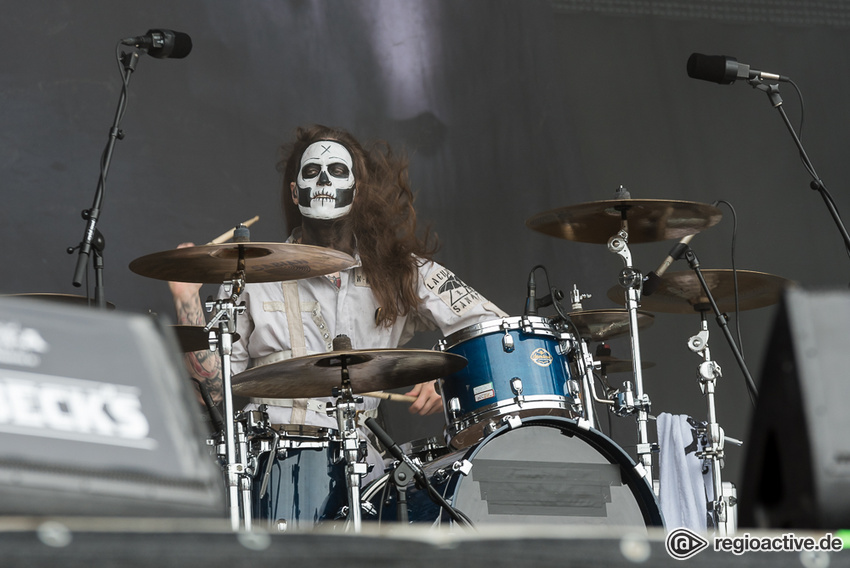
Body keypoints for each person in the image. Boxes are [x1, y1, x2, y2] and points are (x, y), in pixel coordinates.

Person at [168, 124, 506, 513]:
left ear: (355, 190)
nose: (324, 180)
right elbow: (210, 393)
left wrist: (448, 375)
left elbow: (491, 326)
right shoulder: (251, 278)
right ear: (295, 192)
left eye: (337, 171)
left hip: (367, 470)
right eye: (311, 172)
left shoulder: (402, 272)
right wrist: (186, 298)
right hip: (270, 465)